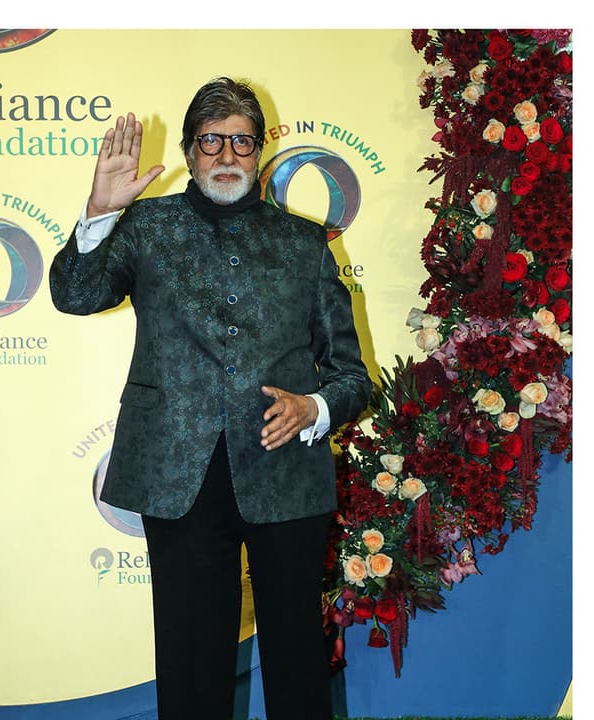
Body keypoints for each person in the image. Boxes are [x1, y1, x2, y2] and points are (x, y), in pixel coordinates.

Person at [50, 77, 370, 720]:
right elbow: (75, 296)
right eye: (211, 140)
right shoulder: (145, 227)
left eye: (242, 142)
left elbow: (352, 376)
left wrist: (313, 409)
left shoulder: (304, 244)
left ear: (260, 151)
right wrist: (99, 212)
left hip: (286, 476)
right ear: (191, 151)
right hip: (177, 477)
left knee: (298, 666)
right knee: (192, 671)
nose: (227, 154)